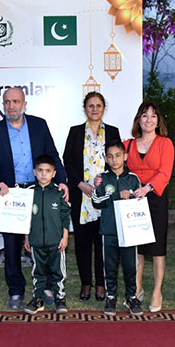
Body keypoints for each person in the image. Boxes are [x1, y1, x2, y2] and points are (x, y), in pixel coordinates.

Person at [0, 87, 68, 310]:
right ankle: (15, 289)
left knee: (43, 241)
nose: (11, 106)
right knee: (12, 245)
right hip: (11, 195)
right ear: (3, 106)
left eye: (16, 101)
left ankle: (45, 287)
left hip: (39, 191)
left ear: (24, 104)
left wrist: (62, 180)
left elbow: (53, 155)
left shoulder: (39, 125)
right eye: (7, 102)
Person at [63, 91, 121, 302]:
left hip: (105, 197)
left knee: (102, 242)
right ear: (85, 108)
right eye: (90, 105)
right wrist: (79, 184)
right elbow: (67, 160)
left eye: (98, 105)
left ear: (103, 108)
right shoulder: (76, 132)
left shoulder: (113, 132)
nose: (94, 109)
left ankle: (101, 284)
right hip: (82, 196)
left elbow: (118, 161)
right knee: (83, 242)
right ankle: (86, 283)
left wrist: (106, 186)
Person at [124, 101, 174, 313]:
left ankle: (156, 291)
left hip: (155, 199)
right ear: (138, 119)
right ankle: (136, 290)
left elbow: (165, 172)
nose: (149, 120)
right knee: (137, 250)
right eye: (145, 115)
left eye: (153, 116)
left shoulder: (165, 143)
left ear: (158, 121)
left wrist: (147, 188)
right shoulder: (127, 144)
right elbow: (119, 170)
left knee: (157, 249)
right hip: (134, 201)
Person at [91, 140, 144, 316]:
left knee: (130, 266)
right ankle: (111, 296)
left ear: (125, 157)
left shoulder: (133, 179)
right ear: (106, 158)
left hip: (129, 231)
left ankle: (132, 297)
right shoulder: (103, 179)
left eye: (118, 155)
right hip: (109, 231)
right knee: (110, 266)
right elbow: (96, 202)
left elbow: (141, 203)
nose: (114, 160)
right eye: (110, 156)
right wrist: (116, 195)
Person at [23, 155, 71, 315]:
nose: (44, 174)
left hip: (56, 242)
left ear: (54, 173)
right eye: (40, 171)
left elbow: (65, 216)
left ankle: (60, 298)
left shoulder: (59, 192)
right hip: (36, 242)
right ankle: (38, 298)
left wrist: (64, 237)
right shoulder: (29, 193)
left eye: (48, 171)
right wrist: (27, 237)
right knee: (38, 272)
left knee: (58, 272)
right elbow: (25, 219)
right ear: (34, 172)